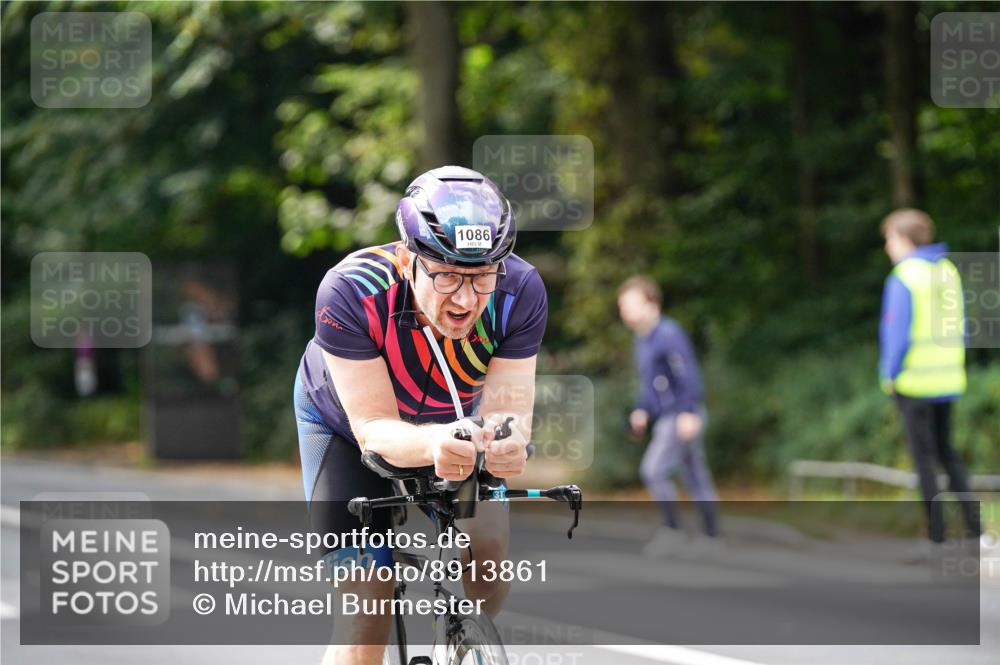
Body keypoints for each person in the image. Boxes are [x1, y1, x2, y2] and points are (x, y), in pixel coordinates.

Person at [293, 166, 547, 665]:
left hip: (456, 423)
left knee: (487, 556)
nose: (466, 299)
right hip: (345, 428)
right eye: (447, 275)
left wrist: (509, 441)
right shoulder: (351, 291)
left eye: (482, 276)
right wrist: (433, 444)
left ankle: (457, 644)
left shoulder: (521, 291)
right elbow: (373, 429)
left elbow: (509, 410)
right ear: (409, 259)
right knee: (366, 612)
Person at [879, 208, 982, 548]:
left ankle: (938, 537)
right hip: (948, 380)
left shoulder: (905, 276)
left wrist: (889, 375)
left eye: (890, 239)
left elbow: (896, 334)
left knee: (924, 461)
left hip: (914, 383)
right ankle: (977, 532)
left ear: (904, 239)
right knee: (949, 456)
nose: (887, 247)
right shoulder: (947, 271)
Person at [617, 276, 719, 556]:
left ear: (652, 304)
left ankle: (673, 530)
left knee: (654, 470)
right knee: (695, 475)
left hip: (679, 416)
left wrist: (689, 411)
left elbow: (687, 373)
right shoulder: (643, 338)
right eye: (622, 306)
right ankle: (711, 535)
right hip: (668, 416)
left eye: (630, 304)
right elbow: (649, 382)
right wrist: (642, 409)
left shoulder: (668, 334)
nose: (625, 311)